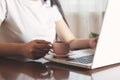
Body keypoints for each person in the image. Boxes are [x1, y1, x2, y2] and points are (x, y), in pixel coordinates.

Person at [0, 0, 97, 59]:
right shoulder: (6, 2)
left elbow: (70, 41)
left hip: (46, 71)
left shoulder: (49, 3)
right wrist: (22, 49)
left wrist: (91, 42)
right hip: (13, 70)